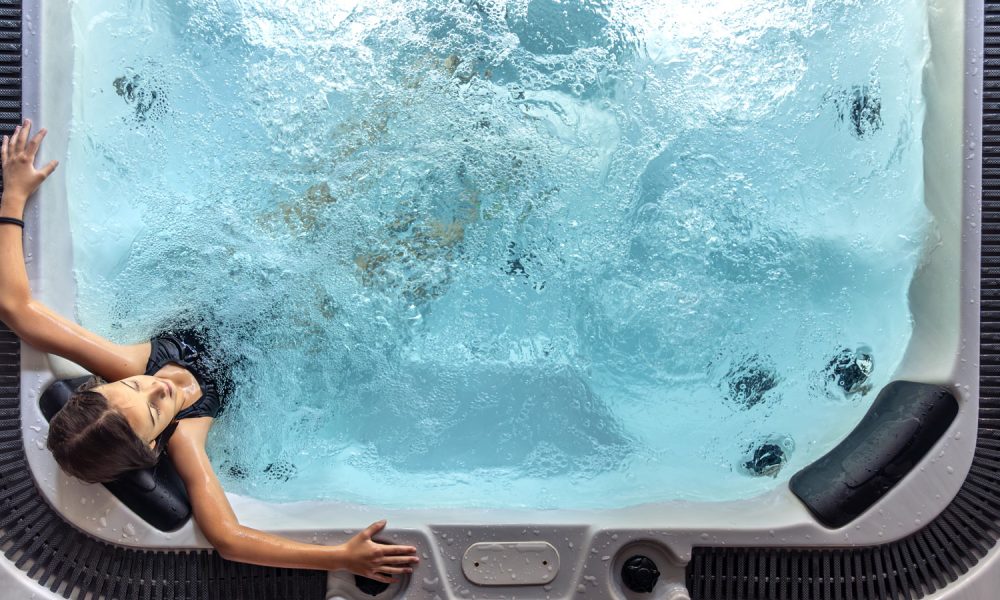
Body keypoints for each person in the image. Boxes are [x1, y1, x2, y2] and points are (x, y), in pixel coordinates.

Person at [0, 119, 420, 582]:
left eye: (136, 388)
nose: (159, 387)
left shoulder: (127, 364)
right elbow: (228, 538)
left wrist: (14, 195)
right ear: (155, 443)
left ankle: (396, 110)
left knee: (328, 186)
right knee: (401, 262)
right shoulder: (188, 436)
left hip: (251, 278)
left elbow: (17, 309)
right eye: (155, 410)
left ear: (109, 383)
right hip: (294, 329)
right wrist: (340, 557)